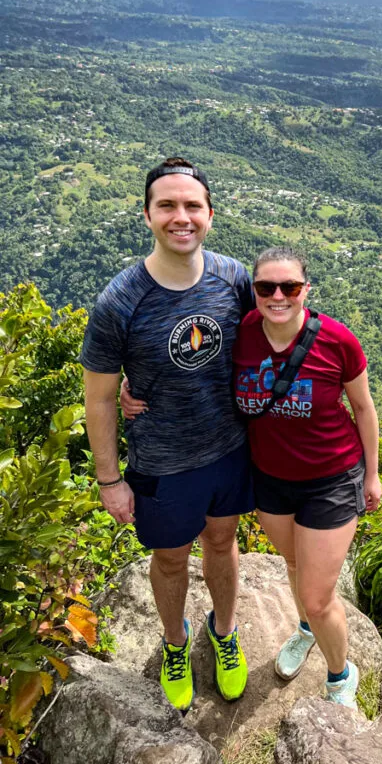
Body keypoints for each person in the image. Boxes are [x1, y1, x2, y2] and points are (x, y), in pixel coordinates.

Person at [81, 157, 254, 712]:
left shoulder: (234, 279)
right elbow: (100, 397)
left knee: (223, 544)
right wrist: (110, 480)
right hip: (161, 462)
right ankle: (175, 643)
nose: (181, 217)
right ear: (149, 214)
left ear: (210, 214)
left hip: (229, 450)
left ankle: (223, 633)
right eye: (168, 206)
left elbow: (272, 343)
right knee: (172, 558)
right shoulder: (120, 301)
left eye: (192, 206)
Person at [232, 246, 382, 709]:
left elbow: (363, 408)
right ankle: (304, 630)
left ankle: (340, 676)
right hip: (271, 477)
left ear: (305, 291)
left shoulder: (337, 340)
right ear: (254, 292)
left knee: (317, 597)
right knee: (295, 567)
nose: (278, 296)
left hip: (332, 478)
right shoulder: (242, 335)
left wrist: (372, 476)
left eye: (289, 287)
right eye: (266, 287)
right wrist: (133, 385)